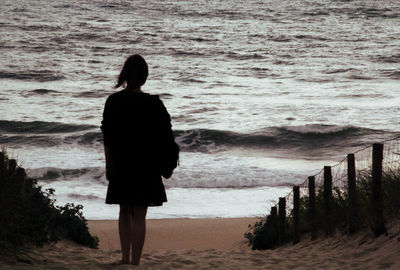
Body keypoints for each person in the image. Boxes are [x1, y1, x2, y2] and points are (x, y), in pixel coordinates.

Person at [101, 54, 175, 265]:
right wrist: (167, 166)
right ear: (144, 77)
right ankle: (135, 262)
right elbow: (166, 137)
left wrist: (108, 165)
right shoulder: (154, 103)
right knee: (140, 215)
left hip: (122, 163)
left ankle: (125, 258)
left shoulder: (113, 101)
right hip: (147, 165)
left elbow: (107, 137)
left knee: (124, 211)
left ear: (125, 75)